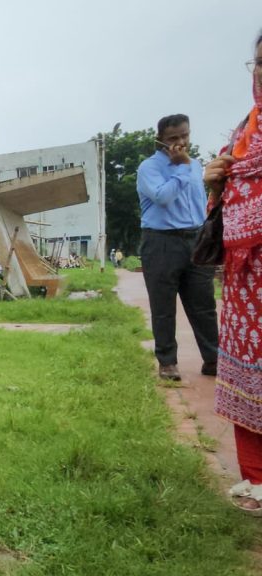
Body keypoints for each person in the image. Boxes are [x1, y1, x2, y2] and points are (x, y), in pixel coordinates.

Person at [205, 31, 262, 514]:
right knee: (248, 371)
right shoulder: (247, 130)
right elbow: (224, 196)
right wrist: (216, 179)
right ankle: (257, 479)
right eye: (258, 63)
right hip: (246, 275)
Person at [136, 114, 218, 382]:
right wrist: (181, 167)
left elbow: (199, 202)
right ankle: (167, 363)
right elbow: (162, 197)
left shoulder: (197, 166)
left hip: (195, 240)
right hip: (161, 242)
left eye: (185, 135)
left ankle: (214, 358)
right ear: (161, 140)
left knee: (203, 304)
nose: (181, 142)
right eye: (173, 138)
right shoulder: (150, 168)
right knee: (163, 305)